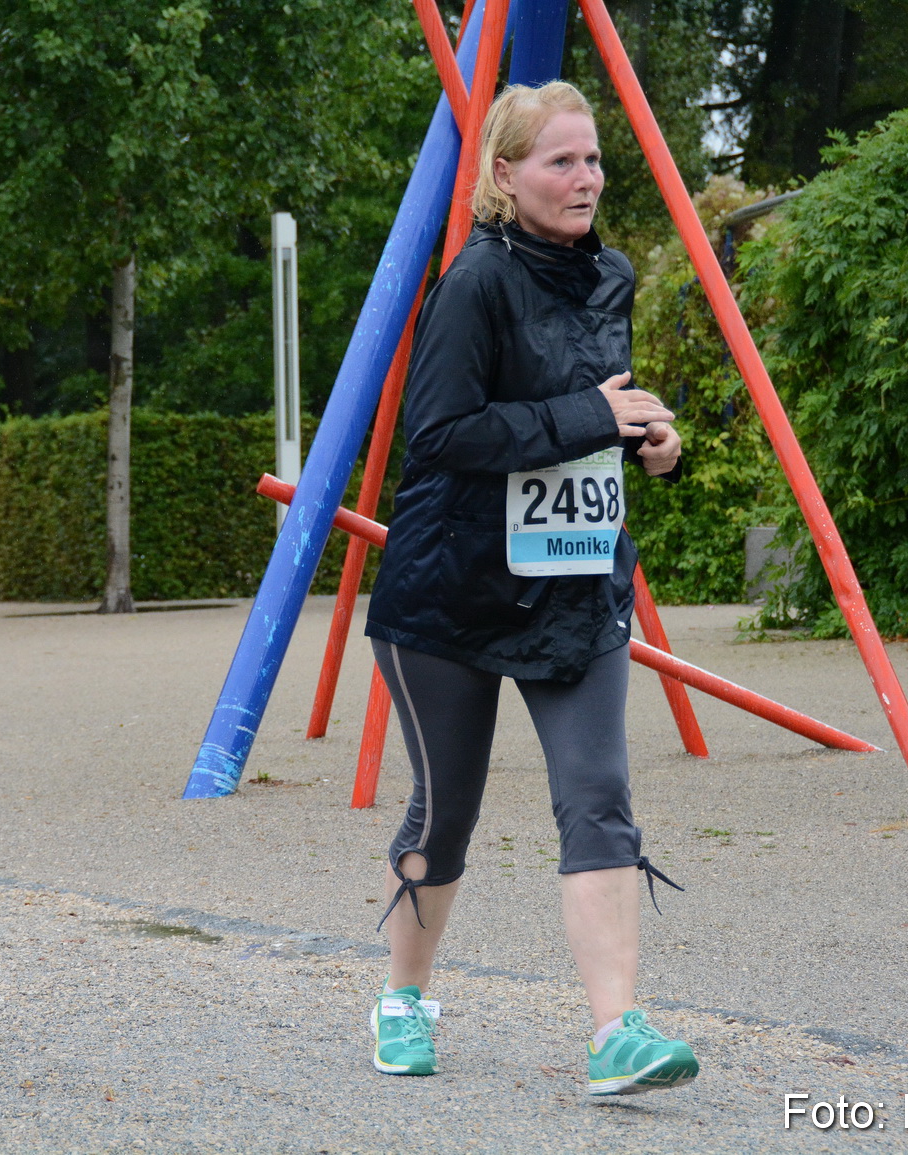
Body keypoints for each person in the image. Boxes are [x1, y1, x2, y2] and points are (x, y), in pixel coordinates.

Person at [362, 80, 697, 1097]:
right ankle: (406, 999)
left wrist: (653, 442)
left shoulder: (612, 277)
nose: (586, 177)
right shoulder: (472, 282)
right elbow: (443, 435)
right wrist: (588, 418)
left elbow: (605, 412)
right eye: (562, 160)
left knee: (599, 799)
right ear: (505, 177)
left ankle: (617, 1033)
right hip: (449, 592)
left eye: (593, 159)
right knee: (444, 814)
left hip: (575, 587)